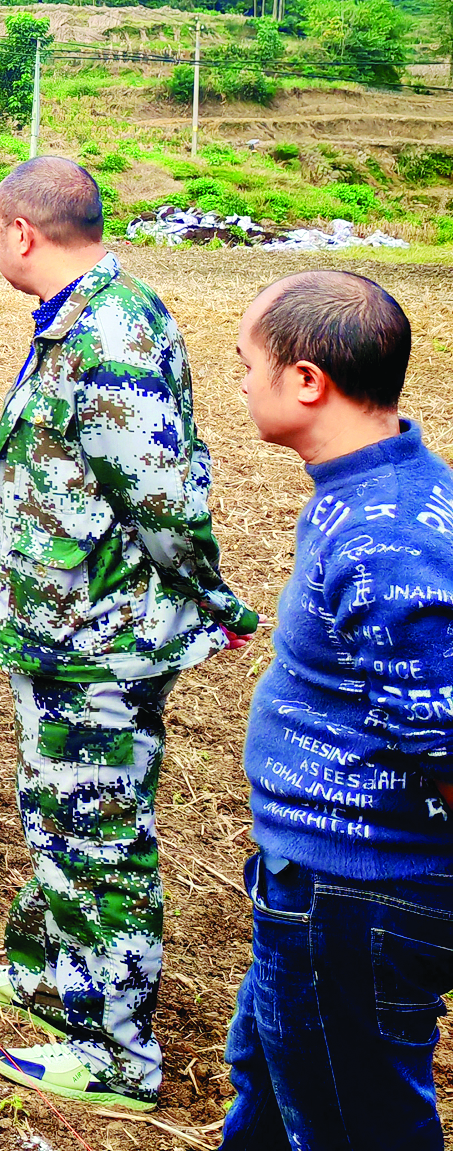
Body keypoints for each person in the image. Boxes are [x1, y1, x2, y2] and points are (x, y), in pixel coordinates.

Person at [0, 157, 259, 1111]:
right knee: (57, 813)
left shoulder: (110, 327)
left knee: (99, 837)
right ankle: (54, 977)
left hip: (101, 639)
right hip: (62, 632)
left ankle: (118, 1052)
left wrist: (214, 598)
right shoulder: (77, 316)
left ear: (21, 233)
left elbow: (163, 498)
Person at [218, 272, 449, 1149]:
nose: (242, 382)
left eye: (249, 363)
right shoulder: (371, 488)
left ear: (307, 380)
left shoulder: (385, 535)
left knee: (359, 1125)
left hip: (360, 894)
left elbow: (446, 738)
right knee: (276, 1091)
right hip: (319, 881)